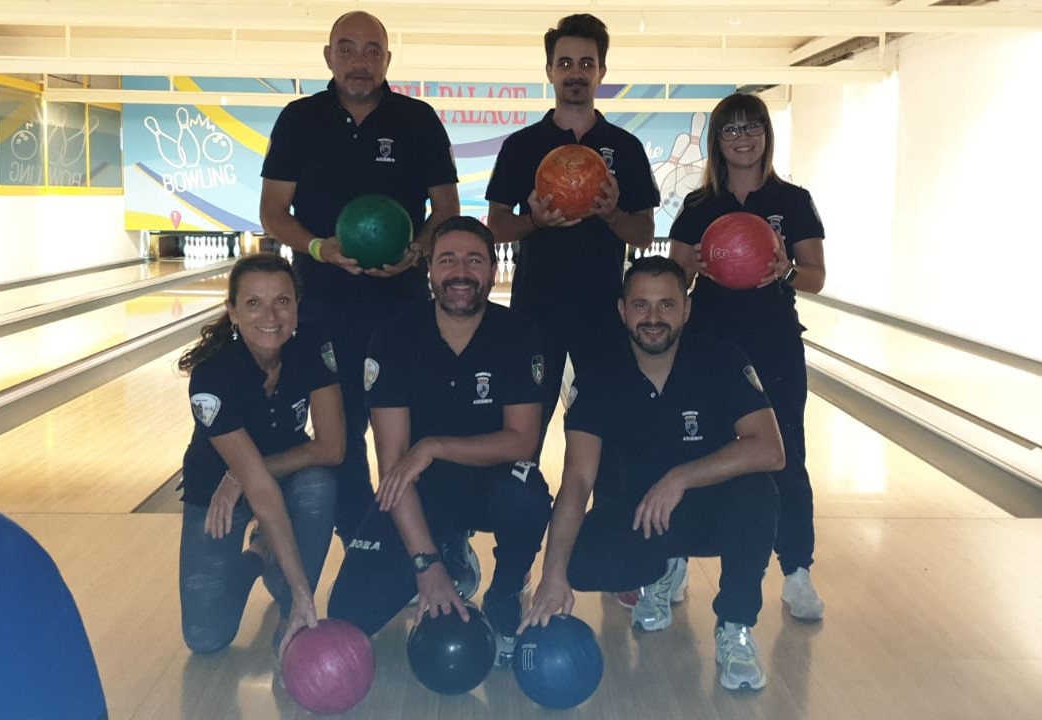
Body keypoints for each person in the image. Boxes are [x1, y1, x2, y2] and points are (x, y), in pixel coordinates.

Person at [259, 10, 462, 570]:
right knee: (340, 434)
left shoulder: (418, 120)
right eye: (347, 49)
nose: (359, 61)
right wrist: (321, 248)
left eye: (372, 50)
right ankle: (363, 547)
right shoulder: (298, 120)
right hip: (322, 307)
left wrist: (416, 251)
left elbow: (446, 210)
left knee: (419, 431)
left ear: (387, 60)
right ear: (328, 56)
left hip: (404, 308)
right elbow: (273, 212)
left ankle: (441, 540)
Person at [522, 257, 784, 690]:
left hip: (708, 508)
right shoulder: (598, 377)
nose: (653, 318)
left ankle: (735, 625)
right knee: (582, 567)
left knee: (759, 491)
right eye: (641, 306)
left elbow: (771, 450)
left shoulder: (722, 360)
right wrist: (552, 575)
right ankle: (661, 570)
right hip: (637, 513)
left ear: (686, 309)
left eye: (666, 305)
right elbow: (577, 481)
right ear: (623, 311)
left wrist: (680, 477)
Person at [327, 216, 553, 667]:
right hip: (419, 491)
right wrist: (425, 564)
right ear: (430, 269)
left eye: (475, 260)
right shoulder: (392, 337)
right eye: (448, 260)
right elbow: (393, 464)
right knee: (349, 614)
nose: (461, 273)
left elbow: (523, 442)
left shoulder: (518, 333)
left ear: (493, 270)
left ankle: (506, 590)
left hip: (490, 482)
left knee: (528, 495)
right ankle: (445, 549)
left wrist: (432, 447)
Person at [667, 92, 827, 621]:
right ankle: (678, 557)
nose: (742, 137)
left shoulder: (794, 200)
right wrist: (693, 267)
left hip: (774, 341)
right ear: (716, 141)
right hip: (709, 347)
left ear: (765, 135)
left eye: (751, 127)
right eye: (730, 129)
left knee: (787, 453)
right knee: (699, 450)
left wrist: (783, 270)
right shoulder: (697, 207)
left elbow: (816, 277)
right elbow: (675, 279)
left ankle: (797, 568)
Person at [486, 13, 659, 451]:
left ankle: (608, 519)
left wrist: (612, 214)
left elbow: (643, 234)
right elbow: (497, 226)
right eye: (565, 64)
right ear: (549, 71)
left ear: (602, 70)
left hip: (604, 311)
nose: (575, 73)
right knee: (525, 431)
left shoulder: (626, 147)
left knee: (605, 431)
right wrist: (534, 222)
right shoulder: (521, 146)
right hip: (534, 311)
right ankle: (518, 515)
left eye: (586, 63)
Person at [176, 253, 345, 664]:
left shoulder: (312, 344)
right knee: (205, 637)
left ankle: (291, 608)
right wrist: (238, 479)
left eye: (282, 302)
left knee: (319, 484)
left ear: (296, 306)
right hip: (214, 488)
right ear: (232, 312)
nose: (270, 316)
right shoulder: (211, 376)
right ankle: (259, 554)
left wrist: (303, 594)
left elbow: (332, 448)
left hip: (278, 476)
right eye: (253, 303)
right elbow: (259, 489)